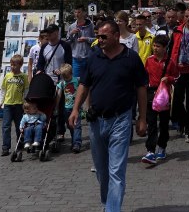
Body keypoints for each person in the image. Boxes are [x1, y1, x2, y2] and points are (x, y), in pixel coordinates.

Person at [68, 19, 148, 212]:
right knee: (102, 170)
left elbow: (141, 88)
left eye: (104, 36)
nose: (100, 40)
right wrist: (76, 109)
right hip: (96, 120)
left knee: (116, 170)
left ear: (116, 36)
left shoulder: (131, 58)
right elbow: (84, 85)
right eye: (98, 36)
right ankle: (107, 203)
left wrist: (142, 118)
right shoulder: (94, 57)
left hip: (121, 119)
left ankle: (113, 209)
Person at [168, 7, 189, 143]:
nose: (188, 19)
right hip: (178, 71)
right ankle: (183, 122)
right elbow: (171, 50)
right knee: (176, 102)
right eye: (186, 16)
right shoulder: (177, 31)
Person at [31, 23, 72, 140]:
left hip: (62, 81)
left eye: (50, 32)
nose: (48, 35)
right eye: (47, 33)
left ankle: (60, 131)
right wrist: (39, 71)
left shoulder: (65, 46)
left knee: (61, 107)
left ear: (56, 33)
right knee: (48, 105)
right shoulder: (44, 46)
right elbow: (41, 63)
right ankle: (46, 130)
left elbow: (69, 63)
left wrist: (62, 70)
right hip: (48, 81)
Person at [142, 34, 174, 166]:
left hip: (164, 95)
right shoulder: (149, 60)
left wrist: (168, 79)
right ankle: (150, 150)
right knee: (151, 123)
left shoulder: (170, 61)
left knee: (164, 123)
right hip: (151, 93)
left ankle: (162, 146)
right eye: (154, 46)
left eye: (158, 46)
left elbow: (176, 77)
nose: (155, 48)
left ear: (165, 48)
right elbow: (144, 76)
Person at [0, 55, 27, 157]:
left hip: (19, 105)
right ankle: (5, 147)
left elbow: (26, 90)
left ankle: (20, 143)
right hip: (8, 104)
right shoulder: (7, 76)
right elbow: (3, 90)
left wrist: (25, 102)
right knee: (6, 126)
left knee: (19, 126)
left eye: (15, 65)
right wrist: (0, 102)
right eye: (11, 65)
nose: (12, 67)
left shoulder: (23, 77)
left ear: (20, 65)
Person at [66, 6, 96, 83]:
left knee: (88, 81)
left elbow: (96, 40)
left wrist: (86, 39)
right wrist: (71, 34)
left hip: (88, 58)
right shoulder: (71, 26)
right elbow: (68, 42)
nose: (77, 14)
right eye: (75, 12)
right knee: (76, 81)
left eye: (79, 12)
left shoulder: (91, 26)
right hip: (76, 59)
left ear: (84, 13)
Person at [57, 63, 82, 153]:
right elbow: (59, 96)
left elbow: (85, 86)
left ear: (71, 73)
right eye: (64, 77)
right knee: (70, 126)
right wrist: (56, 106)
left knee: (77, 126)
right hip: (67, 108)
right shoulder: (62, 83)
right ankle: (74, 141)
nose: (66, 79)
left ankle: (77, 144)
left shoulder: (77, 80)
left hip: (76, 107)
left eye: (67, 77)